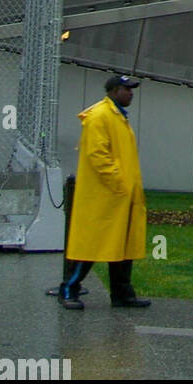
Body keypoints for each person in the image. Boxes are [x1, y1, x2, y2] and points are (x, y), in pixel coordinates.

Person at [59, 75, 150, 311]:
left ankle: (122, 294)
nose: (131, 93)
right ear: (114, 90)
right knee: (88, 247)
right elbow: (98, 156)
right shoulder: (99, 116)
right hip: (103, 198)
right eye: (126, 89)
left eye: (131, 90)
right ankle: (69, 290)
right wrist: (120, 182)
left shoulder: (117, 117)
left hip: (117, 197)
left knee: (122, 248)